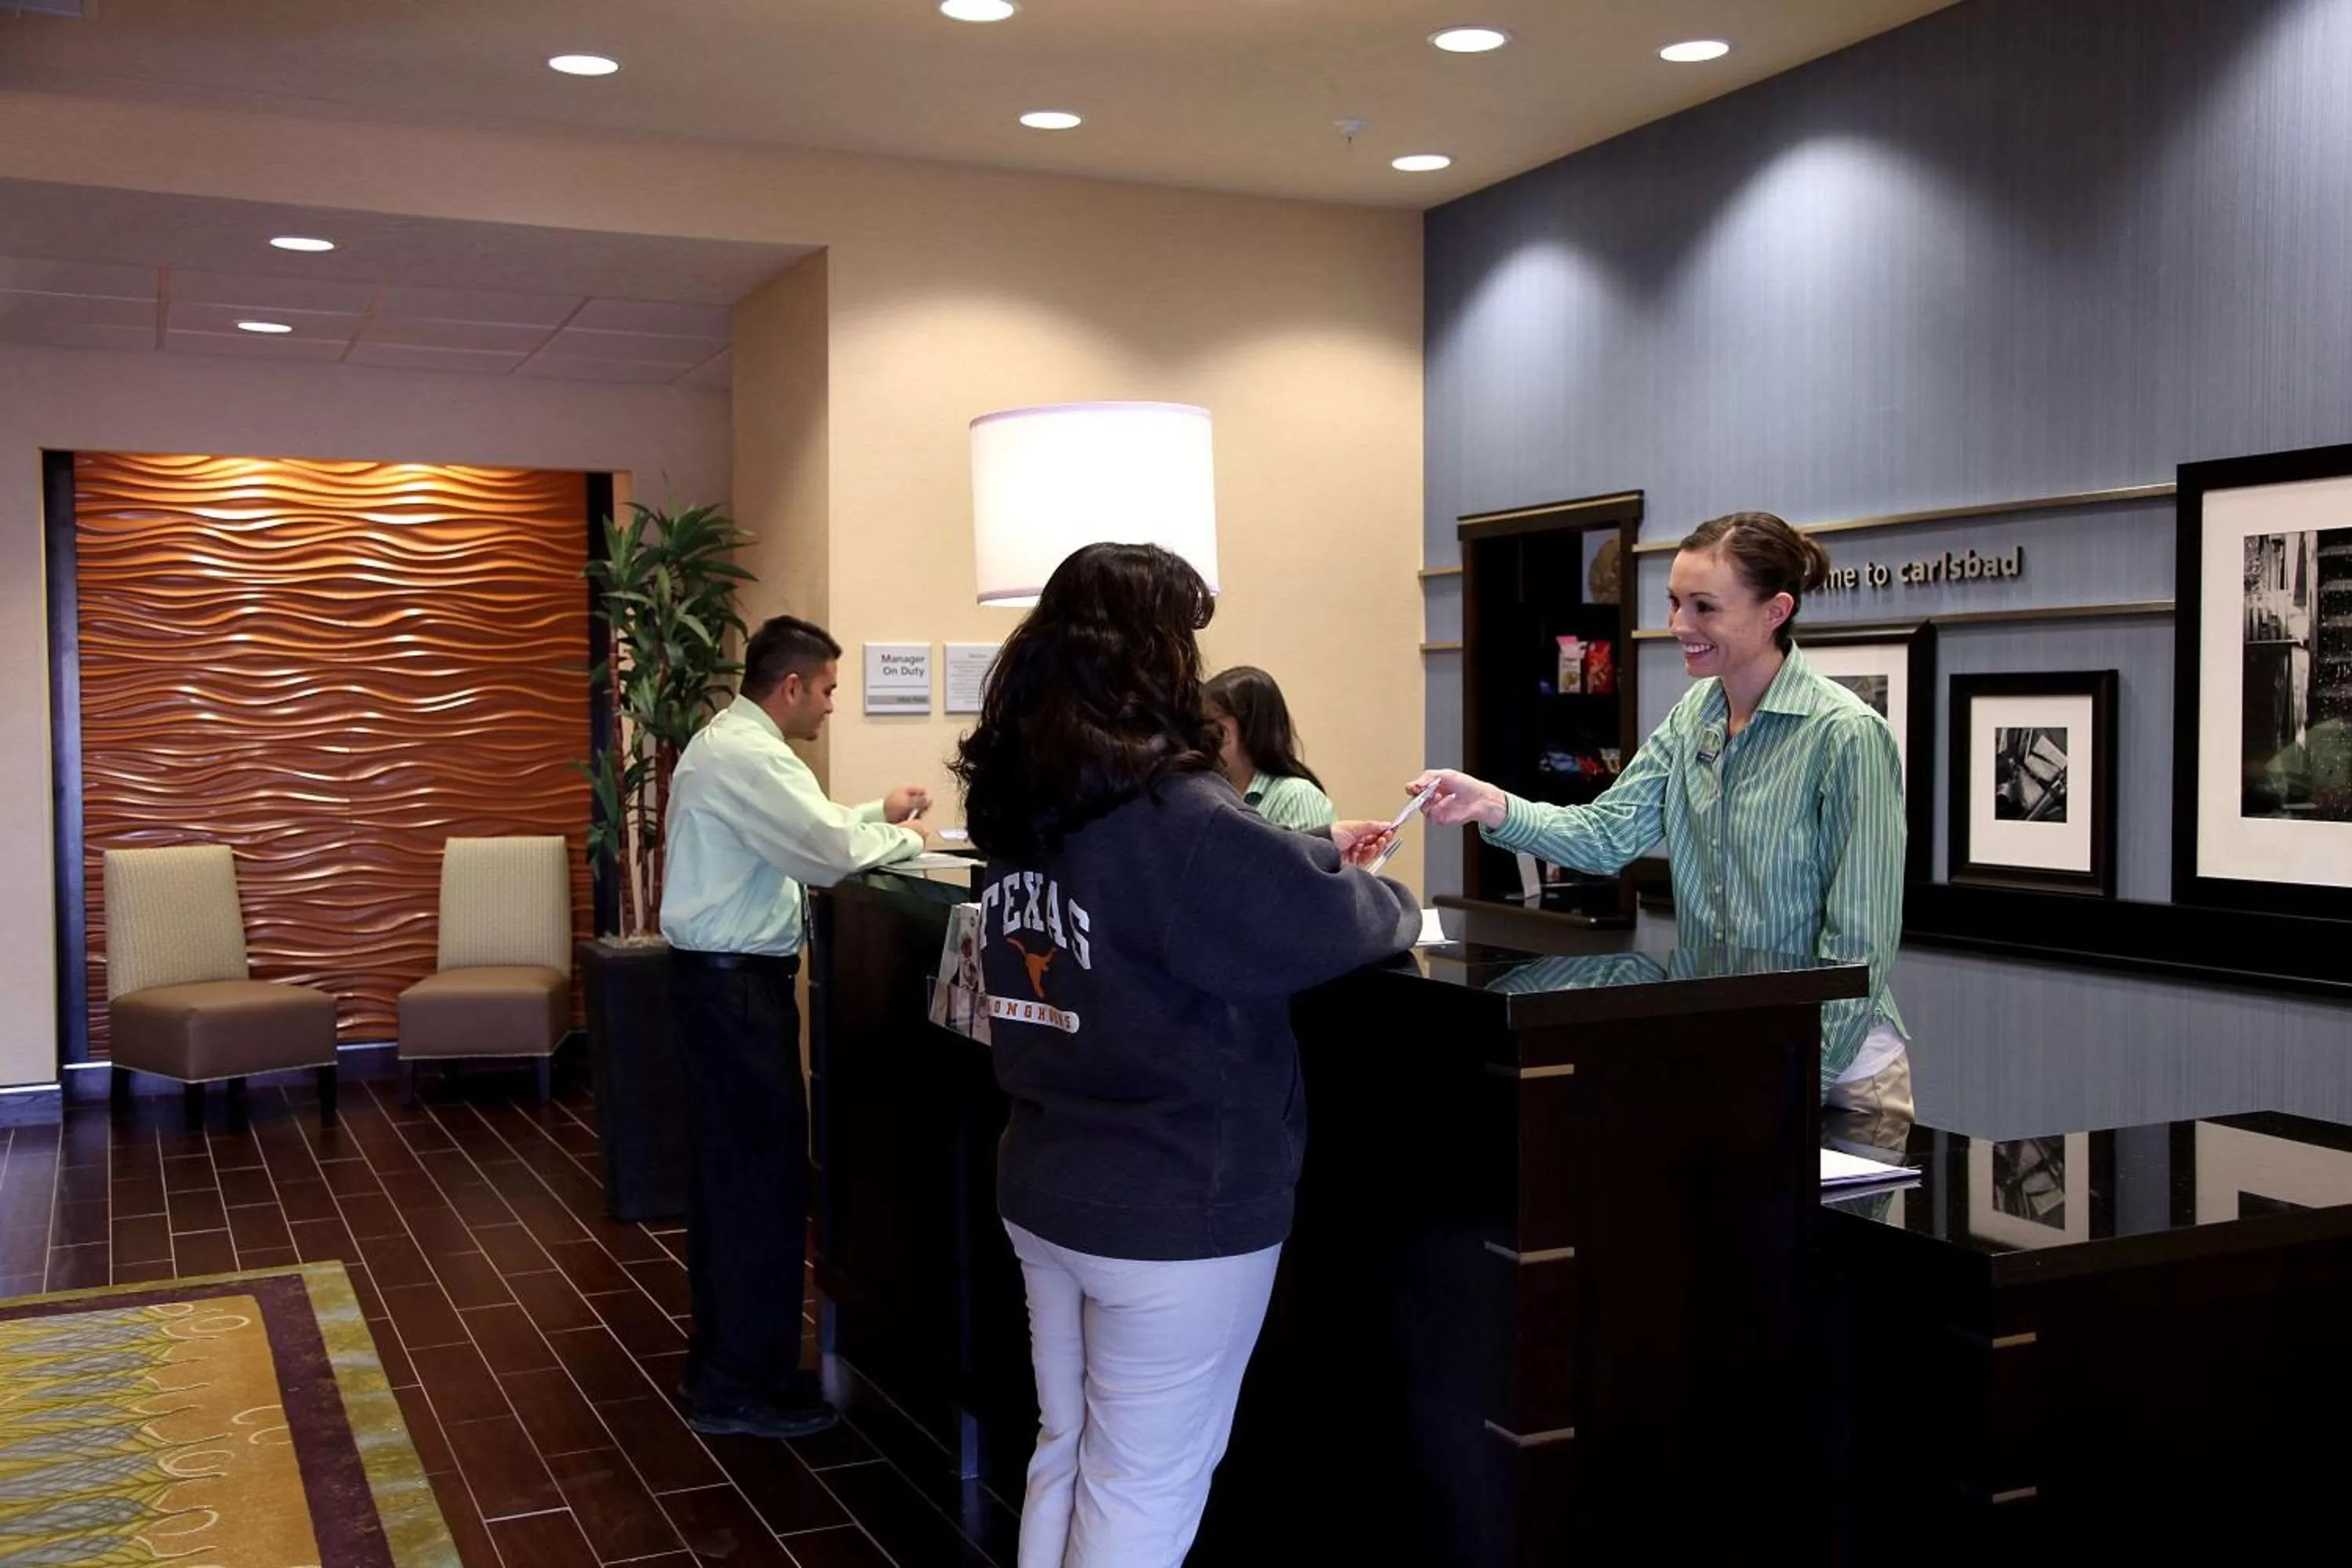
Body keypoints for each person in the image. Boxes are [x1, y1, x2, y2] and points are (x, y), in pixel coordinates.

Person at [952, 543, 1417, 1567]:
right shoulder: (1174, 805)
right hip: (1173, 1201)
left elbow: (1201, 887)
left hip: (1045, 1181)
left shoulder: (1027, 792)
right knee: (1146, 1486)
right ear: (1156, 655)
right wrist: (1386, 890)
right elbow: (1347, 922)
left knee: (1067, 1451)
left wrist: (1304, 849)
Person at [1350, 511, 1911, 1115]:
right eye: (1674, 603)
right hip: (1724, 1045)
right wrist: (1491, 805)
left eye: (1703, 607)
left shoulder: (1847, 736)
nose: (1679, 625)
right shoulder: (1695, 715)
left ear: (1774, 611)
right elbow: (1608, 835)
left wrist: (1801, 1076)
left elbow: (1860, 944)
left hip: (1836, 1067)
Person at [661, 613, 934, 1439]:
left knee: (745, 1186)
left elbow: (798, 830)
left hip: (727, 995)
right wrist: (906, 837)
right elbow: (821, 851)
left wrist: (872, 810)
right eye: (825, 690)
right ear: (790, 686)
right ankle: (740, 1386)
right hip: (733, 998)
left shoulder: (736, 746)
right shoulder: (747, 753)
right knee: (756, 1188)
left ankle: (732, 1370)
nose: (829, 707)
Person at [1204, 665, 1337, 831]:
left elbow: (1314, 857)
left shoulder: (1297, 797)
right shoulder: (1214, 796)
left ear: (1250, 726)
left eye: (1213, 719)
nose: (1204, 732)